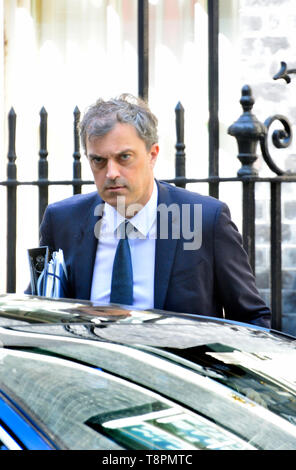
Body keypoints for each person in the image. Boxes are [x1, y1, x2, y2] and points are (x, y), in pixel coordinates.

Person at [36, 93, 271, 328]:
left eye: (124, 157)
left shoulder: (204, 220)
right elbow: (39, 311)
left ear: (152, 155)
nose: (111, 173)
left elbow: (252, 319)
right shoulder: (62, 221)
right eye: (98, 161)